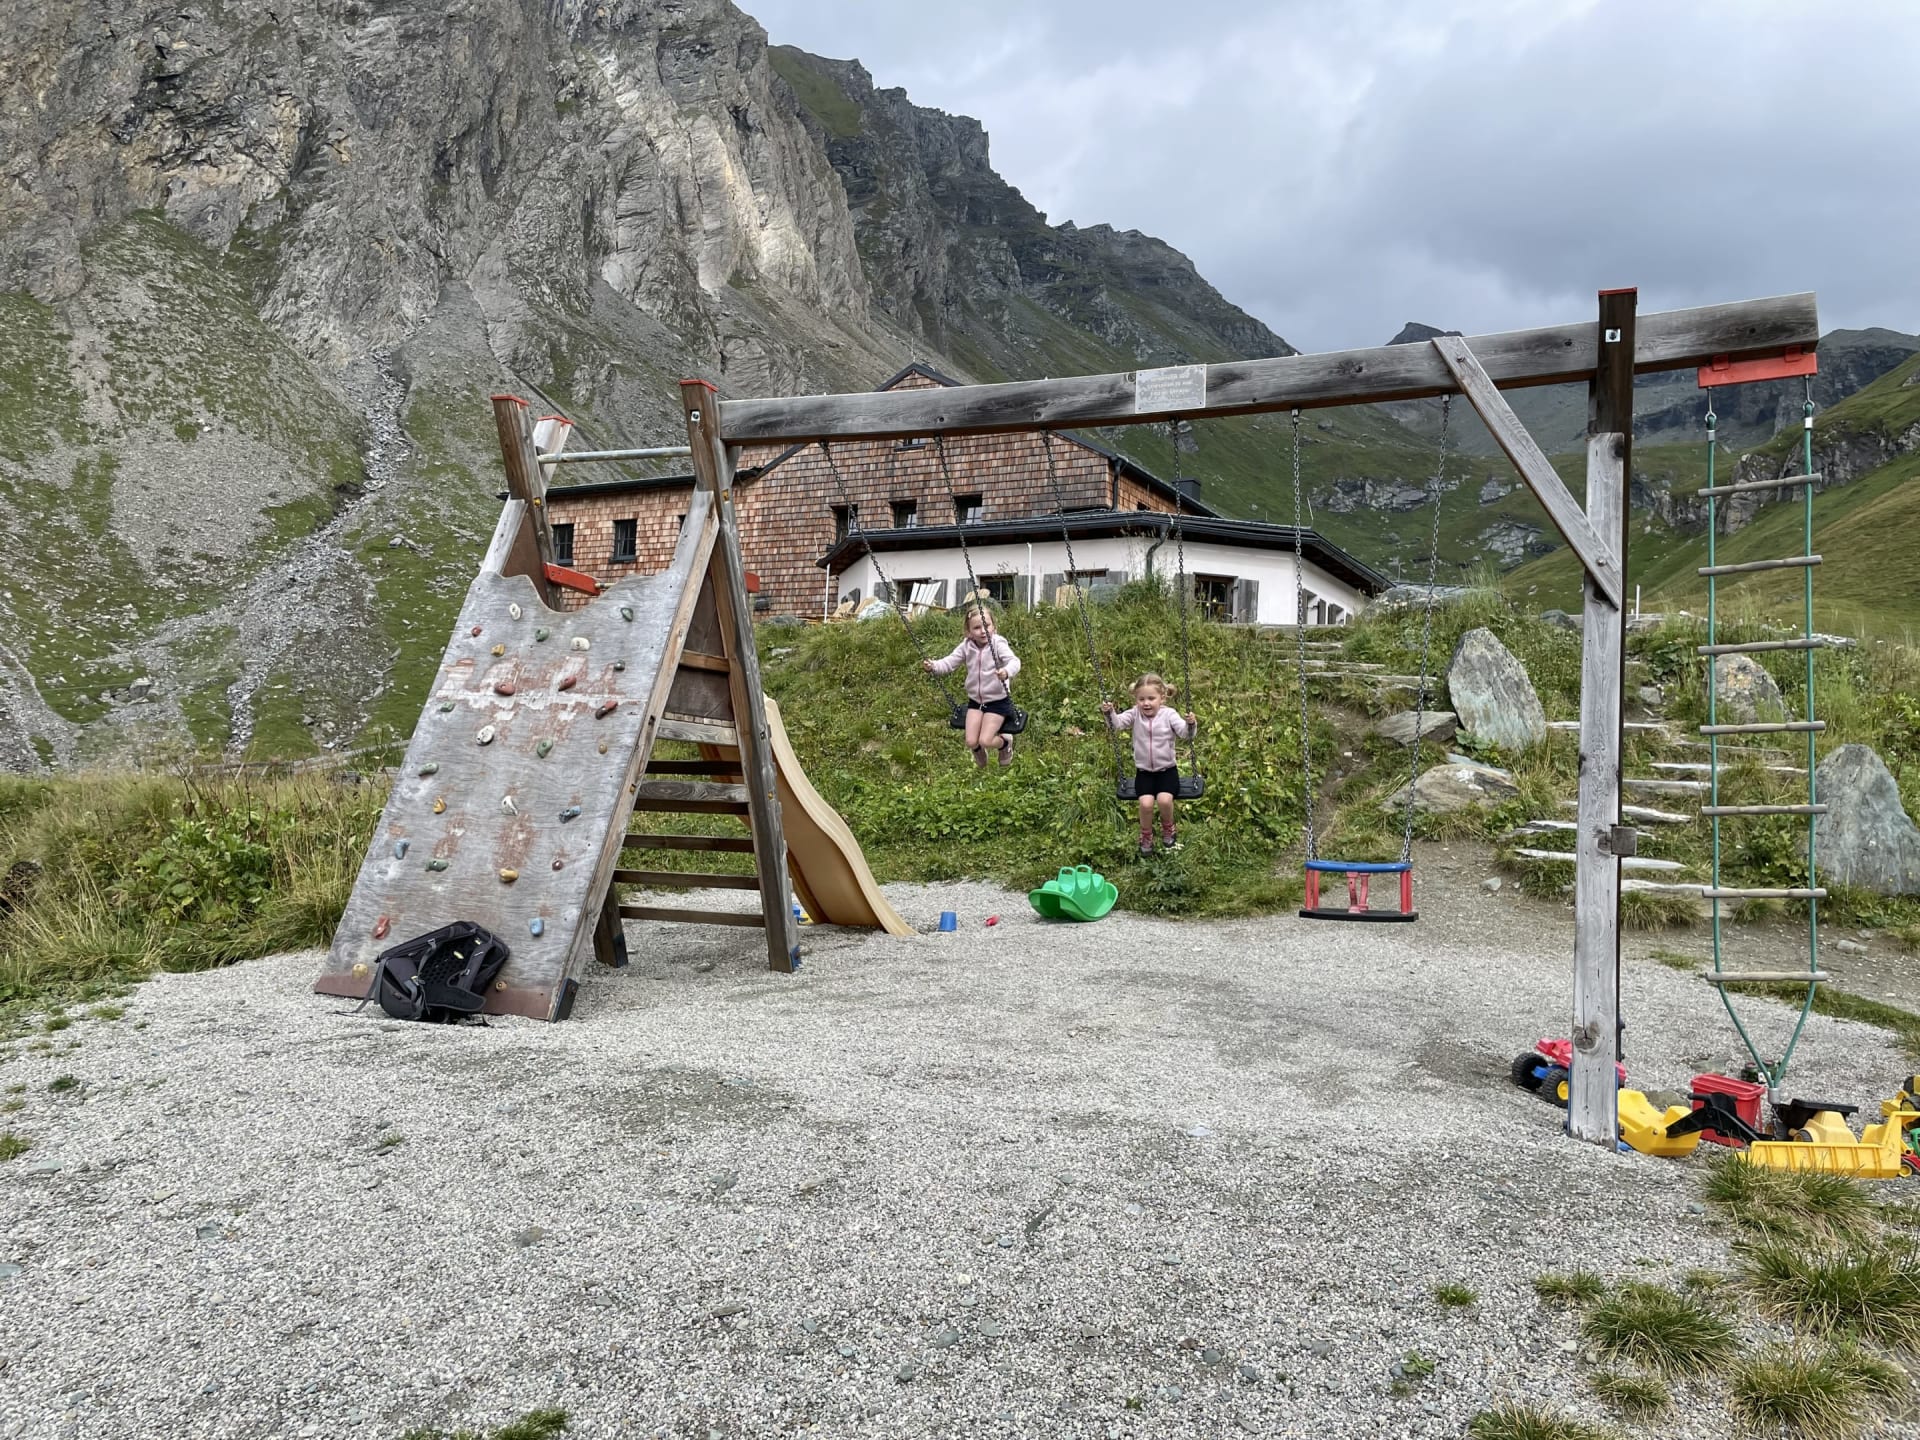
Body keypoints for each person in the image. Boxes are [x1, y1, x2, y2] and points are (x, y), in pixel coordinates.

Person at [1102, 674, 1197, 854]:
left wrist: (1191, 724)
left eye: (1151, 698)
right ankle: (1146, 835)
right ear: (1136, 699)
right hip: (1144, 772)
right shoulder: (1135, 714)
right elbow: (1117, 724)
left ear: (1162, 698)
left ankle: (1168, 828)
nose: (1146, 703)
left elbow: (1186, 734)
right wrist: (1109, 713)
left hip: (1167, 771)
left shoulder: (1169, 715)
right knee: (1145, 804)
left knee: (1164, 800)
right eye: (1141, 699)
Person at [924, 605, 1021, 768]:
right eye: (977, 627)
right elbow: (949, 662)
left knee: (985, 740)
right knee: (971, 741)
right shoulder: (967, 646)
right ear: (968, 631)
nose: (983, 631)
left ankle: (1005, 743)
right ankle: (979, 754)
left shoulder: (997, 644)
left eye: (987, 625)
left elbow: (1014, 661)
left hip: (998, 702)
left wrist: (1006, 671)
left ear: (994, 626)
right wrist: (933, 666)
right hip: (976, 702)